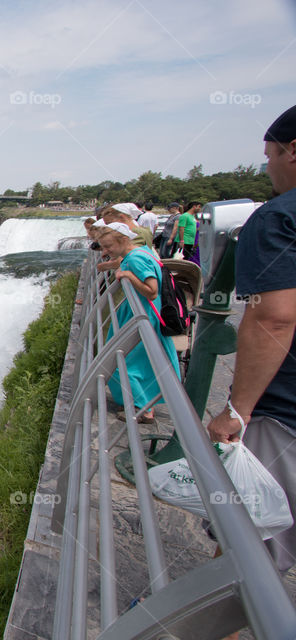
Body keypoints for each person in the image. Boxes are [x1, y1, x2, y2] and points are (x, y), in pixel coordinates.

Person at [207, 103, 296, 574]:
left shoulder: (278, 218)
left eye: (269, 156)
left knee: (247, 552)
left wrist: (237, 410)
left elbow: (273, 320)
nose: (267, 168)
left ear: (293, 151)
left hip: (285, 415)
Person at [98, 222, 181, 422]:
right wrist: (113, 264)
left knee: (122, 361)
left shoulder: (135, 259)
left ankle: (144, 409)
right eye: (103, 247)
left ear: (124, 239)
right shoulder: (141, 251)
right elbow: (126, 261)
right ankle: (142, 402)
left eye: (108, 246)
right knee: (142, 361)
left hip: (145, 314)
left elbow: (151, 291)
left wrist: (127, 275)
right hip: (142, 312)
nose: (105, 251)